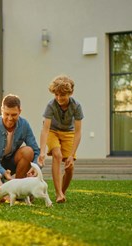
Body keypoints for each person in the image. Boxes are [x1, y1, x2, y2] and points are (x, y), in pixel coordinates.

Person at [38, 75, 84, 203]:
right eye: (56, 94)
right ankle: (58, 193)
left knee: (69, 167)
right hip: (53, 131)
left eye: (62, 95)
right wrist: (42, 152)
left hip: (69, 133)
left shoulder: (76, 106)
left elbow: (78, 132)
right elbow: (45, 129)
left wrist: (71, 154)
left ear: (70, 93)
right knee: (57, 155)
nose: (59, 98)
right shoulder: (51, 105)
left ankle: (62, 192)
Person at [0, 94, 40, 196]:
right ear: (1, 110)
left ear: (20, 111)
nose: (10, 118)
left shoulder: (24, 125)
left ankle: (19, 191)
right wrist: (3, 172)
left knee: (28, 151)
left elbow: (36, 150)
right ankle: (1, 191)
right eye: (6, 114)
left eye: (14, 115)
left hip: (10, 161)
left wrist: (36, 167)